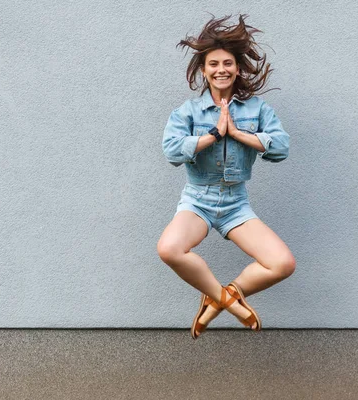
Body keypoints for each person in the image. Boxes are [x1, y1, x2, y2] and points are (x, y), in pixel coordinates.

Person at [157, 15, 296, 339]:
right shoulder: (187, 112)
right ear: (203, 70)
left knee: (283, 263)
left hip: (236, 204)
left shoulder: (258, 110)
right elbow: (172, 152)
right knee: (169, 249)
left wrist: (238, 133)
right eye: (213, 64)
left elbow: (281, 147)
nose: (221, 69)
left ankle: (224, 296)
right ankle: (227, 301)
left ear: (237, 68)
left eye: (227, 63)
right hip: (198, 200)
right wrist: (213, 135)